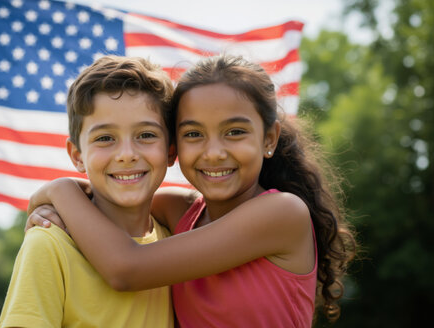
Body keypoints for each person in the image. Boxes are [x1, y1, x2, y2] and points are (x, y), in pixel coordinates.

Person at [28, 55, 356, 327]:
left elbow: (126, 268)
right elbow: (110, 197)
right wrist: (55, 208)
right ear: (175, 145)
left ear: (269, 138)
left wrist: (59, 191)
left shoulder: (283, 213)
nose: (213, 152)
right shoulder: (178, 210)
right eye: (193, 134)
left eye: (235, 131)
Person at [0, 56, 176, 328]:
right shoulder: (49, 245)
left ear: (171, 151)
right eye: (105, 138)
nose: (126, 155)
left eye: (146, 135)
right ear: (77, 155)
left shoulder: (175, 239)